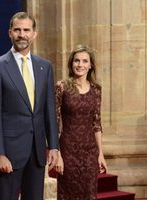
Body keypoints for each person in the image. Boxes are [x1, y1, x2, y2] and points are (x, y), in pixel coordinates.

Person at [0, 12, 59, 200]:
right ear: (10, 33)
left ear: (34, 34)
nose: (22, 34)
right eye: (17, 30)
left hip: (37, 153)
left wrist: (54, 147)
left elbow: (49, 110)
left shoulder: (45, 67)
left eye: (26, 30)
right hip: (9, 153)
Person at [55, 45, 107, 200]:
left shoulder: (96, 89)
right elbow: (55, 123)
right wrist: (57, 154)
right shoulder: (62, 87)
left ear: (90, 65)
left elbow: (97, 123)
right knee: (68, 194)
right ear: (71, 64)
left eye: (85, 61)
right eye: (77, 61)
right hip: (68, 151)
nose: (80, 65)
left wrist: (101, 154)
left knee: (89, 195)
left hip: (90, 152)